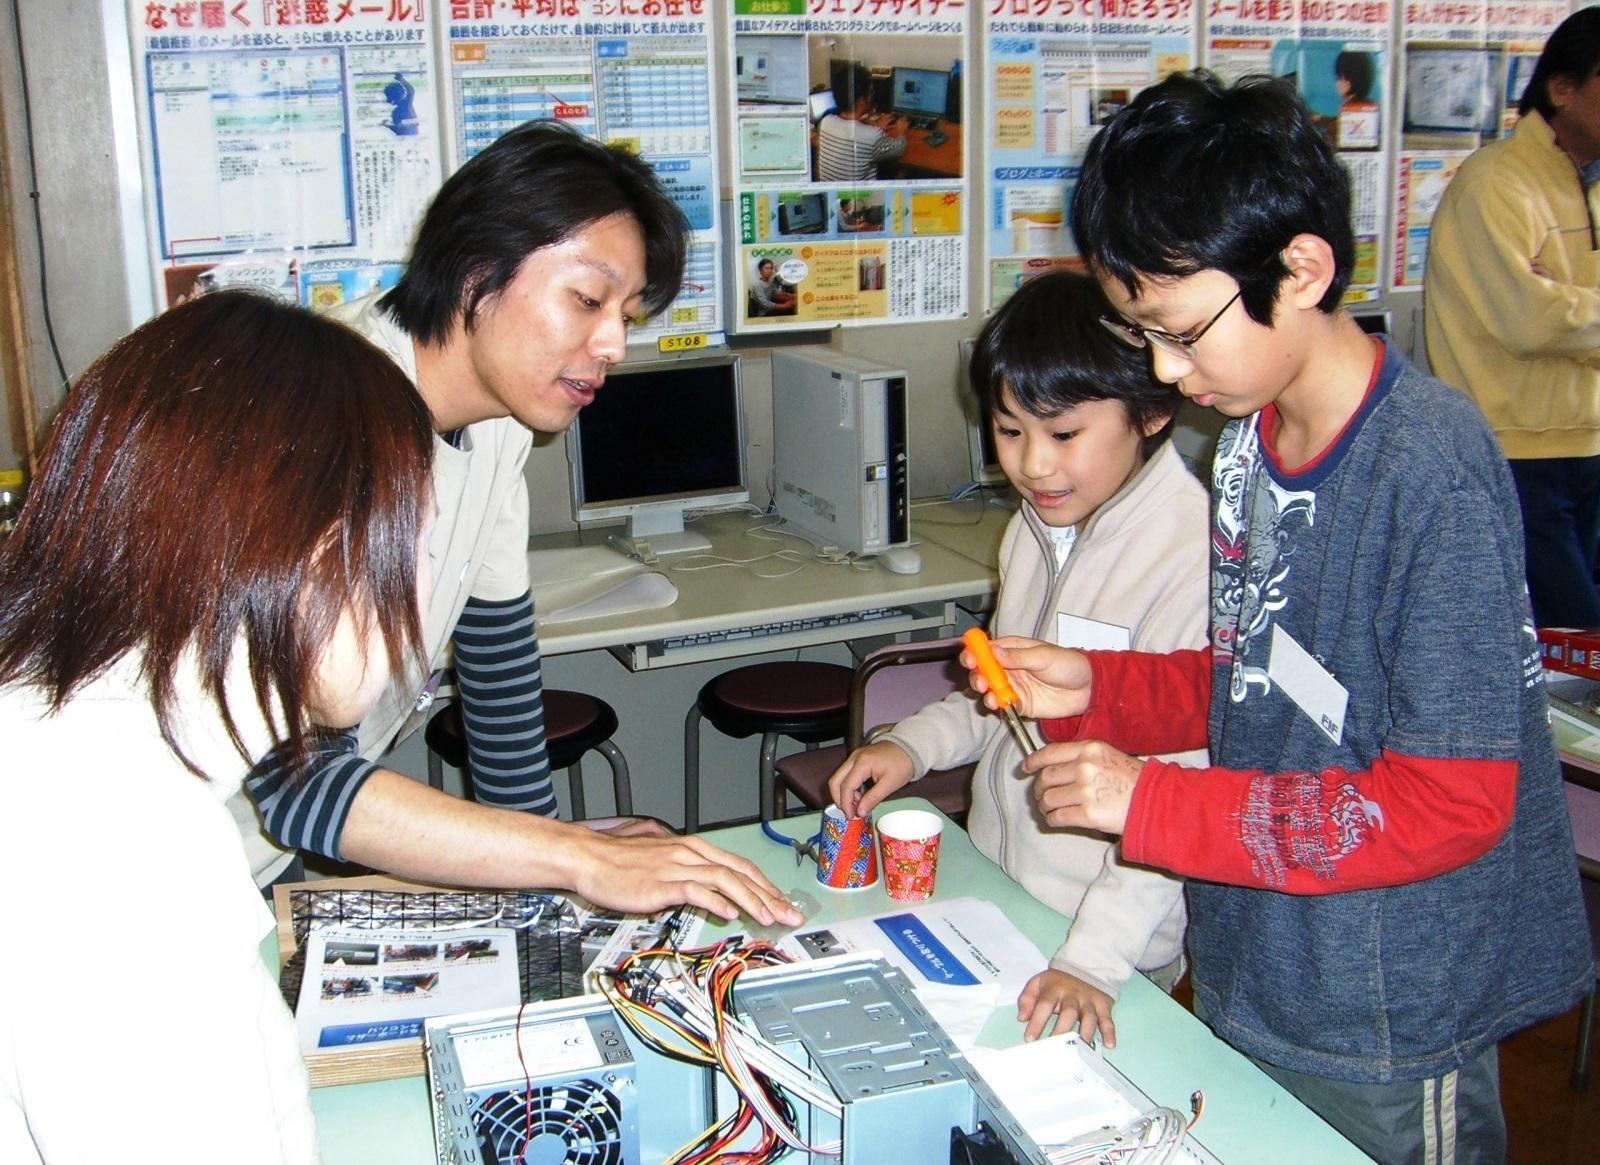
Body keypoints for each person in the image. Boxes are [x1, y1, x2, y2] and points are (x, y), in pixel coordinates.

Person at [969, 72, 1591, 1164]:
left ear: (1299, 269)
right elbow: (1258, 673)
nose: (1164, 368)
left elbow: (1453, 801)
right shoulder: (1249, 445)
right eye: (1140, 332)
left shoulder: (1427, 473)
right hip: (1261, 956)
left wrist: (1154, 800)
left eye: (1179, 331)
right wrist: (1101, 689)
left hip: (1392, 1005)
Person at [233, 120, 800, 931]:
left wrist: (544, 881)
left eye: (627, 313)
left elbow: (498, 673)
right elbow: (294, 780)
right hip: (145, 857)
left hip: (250, 861)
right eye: (586, 299)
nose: (614, 343)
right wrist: (572, 856)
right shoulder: (328, 420)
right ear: (475, 276)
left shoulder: (500, 420)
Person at [0, 291, 439, 1159]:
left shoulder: (65, 729)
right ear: (323, 559)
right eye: (415, 547)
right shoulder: (123, 855)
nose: (420, 591)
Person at [827, 271, 1209, 1049]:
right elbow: (1002, 694)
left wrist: (1093, 964)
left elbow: (1180, 795)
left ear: (1153, 412)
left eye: (1064, 434)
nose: (1032, 465)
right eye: (1009, 431)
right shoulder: (1034, 525)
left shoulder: (1189, 553)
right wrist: (910, 745)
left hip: (1106, 943)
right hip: (1003, 890)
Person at [1426, 8, 1600, 630]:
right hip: (1512, 451)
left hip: (1589, 441)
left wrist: (1569, 306)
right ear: (1562, 88)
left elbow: (1559, 317)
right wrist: (1562, 311)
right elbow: (1530, 322)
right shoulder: (1496, 182)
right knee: (1569, 635)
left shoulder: (1593, 182)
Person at [816, 62, 906, 182]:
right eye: (870, 92)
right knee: (901, 173)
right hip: (860, 199)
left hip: (832, 196)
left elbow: (849, 130)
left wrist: (869, 125)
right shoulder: (871, 136)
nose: (871, 96)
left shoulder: (826, 122)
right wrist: (901, 131)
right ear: (861, 100)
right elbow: (898, 150)